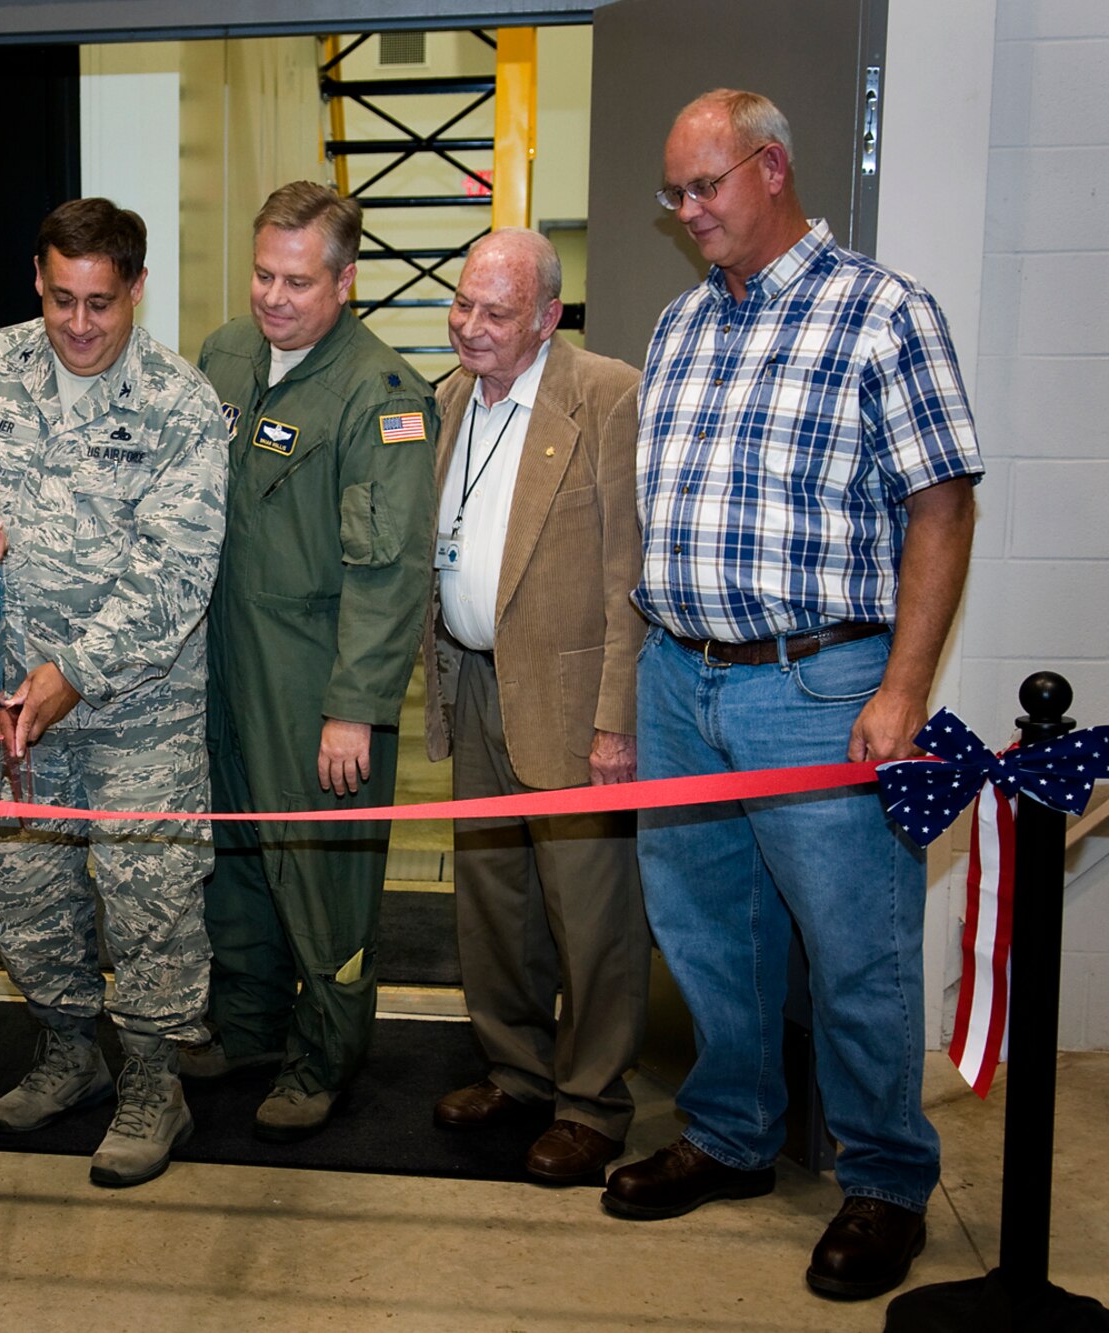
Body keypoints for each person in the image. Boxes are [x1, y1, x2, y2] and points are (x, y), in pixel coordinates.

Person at [604, 90, 982, 1303]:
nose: (684, 210)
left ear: (770, 168)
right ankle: (728, 1136)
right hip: (681, 677)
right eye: (672, 191)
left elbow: (940, 507)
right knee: (706, 934)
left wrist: (902, 689)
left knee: (854, 948)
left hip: (817, 685)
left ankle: (884, 1181)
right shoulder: (678, 324)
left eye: (702, 186)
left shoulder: (883, 312)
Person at [0, 198, 227, 1188]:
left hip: (137, 709)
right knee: (29, 904)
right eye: (59, 299)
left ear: (136, 289)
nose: (78, 324)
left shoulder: (178, 404)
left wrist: (74, 674)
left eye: (100, 303)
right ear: (36, 283)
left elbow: (176, 574)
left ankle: (154, 1080)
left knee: (150, 905)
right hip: (9, 697)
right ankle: (68, 1052)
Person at [192, 181, 438, 1142]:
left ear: (345, 281)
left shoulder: (383, 395)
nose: (273, 297)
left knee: (322, 876)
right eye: (263, 274)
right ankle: (249, 1024)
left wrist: (355, 707)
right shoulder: (225, 355)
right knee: (236, 856)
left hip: (314, 677)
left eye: (297, 281)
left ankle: (324, 1055)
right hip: (222, 662)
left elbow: (390, 572)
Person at [420, 229, 649, 1185]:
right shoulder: (445, 399)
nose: (470, 326)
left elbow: (630, 573)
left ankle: (592, 1102)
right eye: (462, 303)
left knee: (590, 916)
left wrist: (616, 718)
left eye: (496, 312)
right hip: (474, 682)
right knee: (494, 904)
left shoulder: (607, 396)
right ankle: (516, 1071)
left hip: (571, 699)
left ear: (549, 316)